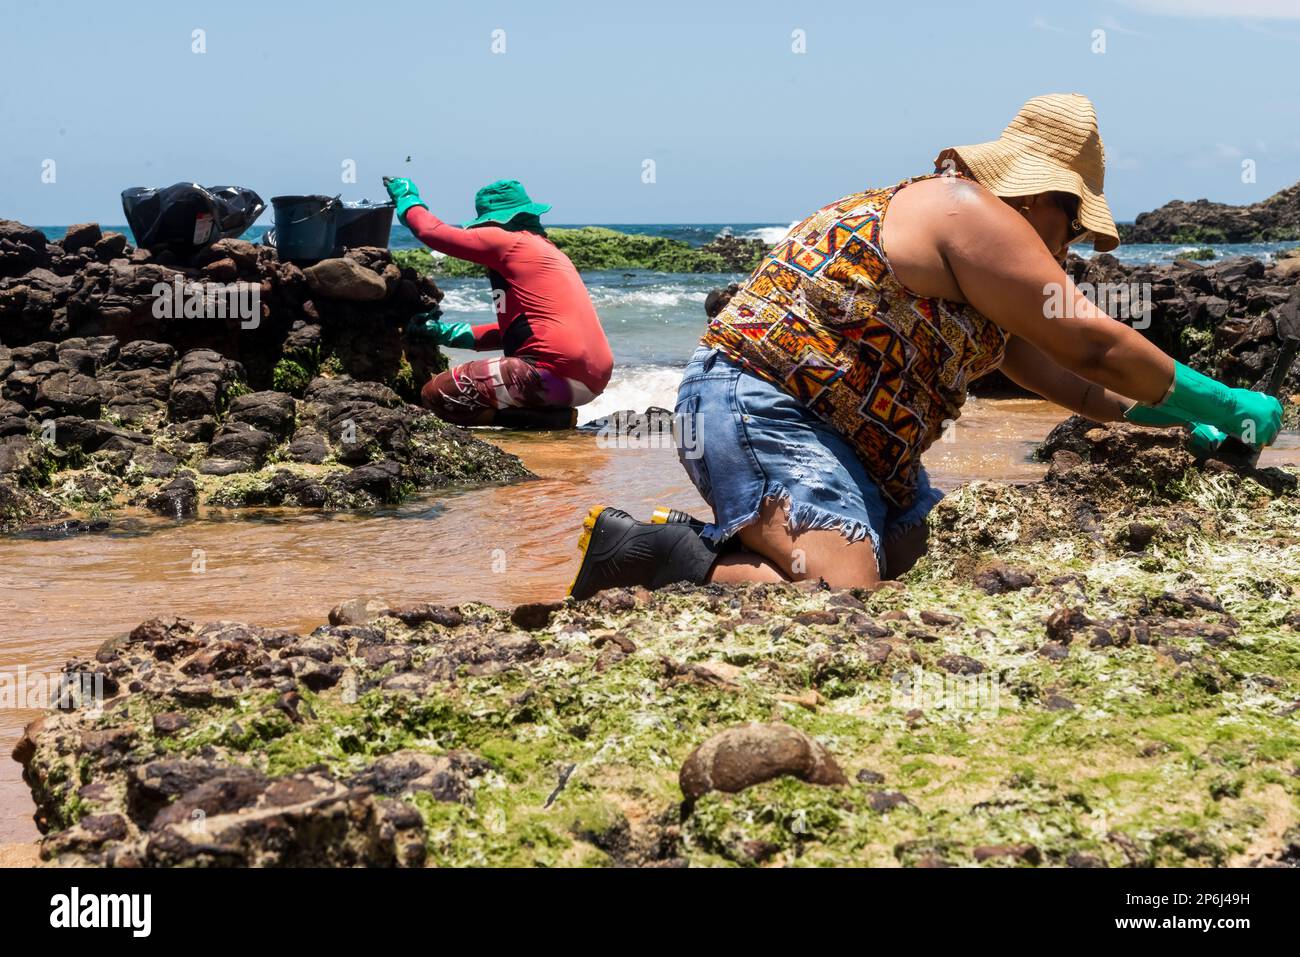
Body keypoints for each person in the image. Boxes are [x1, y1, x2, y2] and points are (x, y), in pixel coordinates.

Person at [567, 93, 1282, 600]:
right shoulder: (966, 210)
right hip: (767, 404)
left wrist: (1162, 420)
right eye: (1073, 226)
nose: (1070, 248)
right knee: (840, 596)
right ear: (1040, 196)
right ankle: (651, 556)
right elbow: (1092, 342)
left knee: (931, 560)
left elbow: (1065, 376)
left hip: (862, 448)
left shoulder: (982, 278)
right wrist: (1224, 399)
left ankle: (739, 544)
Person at [384, 176, 613, 429]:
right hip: (591, 381)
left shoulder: (508, 242)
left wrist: (407, 198)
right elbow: (523, 333)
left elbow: (431, 231)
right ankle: (548, 416)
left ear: (494, 222)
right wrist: (445, 334)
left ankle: (546, 420)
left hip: (552, 375)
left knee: (438, 394)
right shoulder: (549, 252)